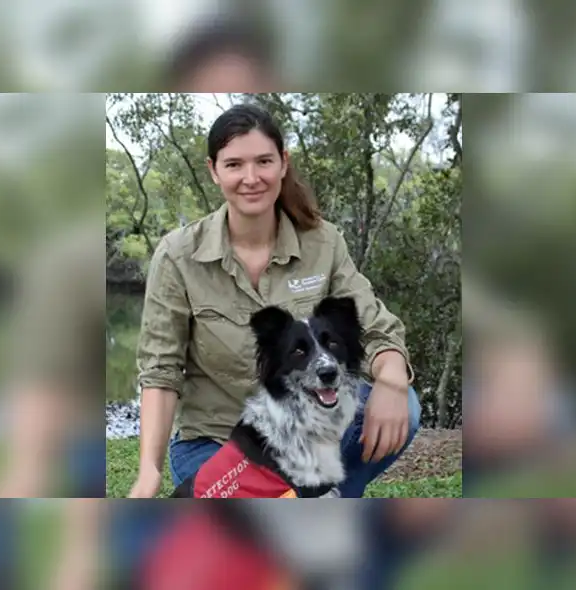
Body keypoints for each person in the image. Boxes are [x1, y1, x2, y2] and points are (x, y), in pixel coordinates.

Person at [128, 101, 421, 498]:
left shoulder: (323, 243)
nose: (251, 178)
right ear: (213, 170)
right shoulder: (178, 256)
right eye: (234, 164)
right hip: (218, 442)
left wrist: (392, 381)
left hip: (308, 431)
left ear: (283, 163)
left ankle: (329, 495)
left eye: (263, 161)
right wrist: (149, 472)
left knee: (407, 405)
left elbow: (373, 326)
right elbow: (161, 371)